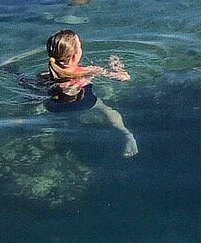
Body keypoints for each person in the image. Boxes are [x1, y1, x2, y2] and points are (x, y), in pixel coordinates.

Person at [43, 29, 138, 157]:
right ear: (76, 55)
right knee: (107, 110)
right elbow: (124, 78)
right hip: (85, 103)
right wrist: (116, 65)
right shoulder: (87, 70)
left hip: (54, 107)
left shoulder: (45, 75)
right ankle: (127, 134)